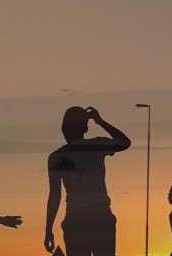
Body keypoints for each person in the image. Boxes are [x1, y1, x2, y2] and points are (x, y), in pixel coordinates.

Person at [44, 106, 131, 256]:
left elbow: (55, 195)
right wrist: (100, 121)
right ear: (85, 128)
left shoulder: (56, 157)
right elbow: (124, 142)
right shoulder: (96, 145)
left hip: (75, 219)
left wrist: (48, 230)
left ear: (64, 128)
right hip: (101, 217)